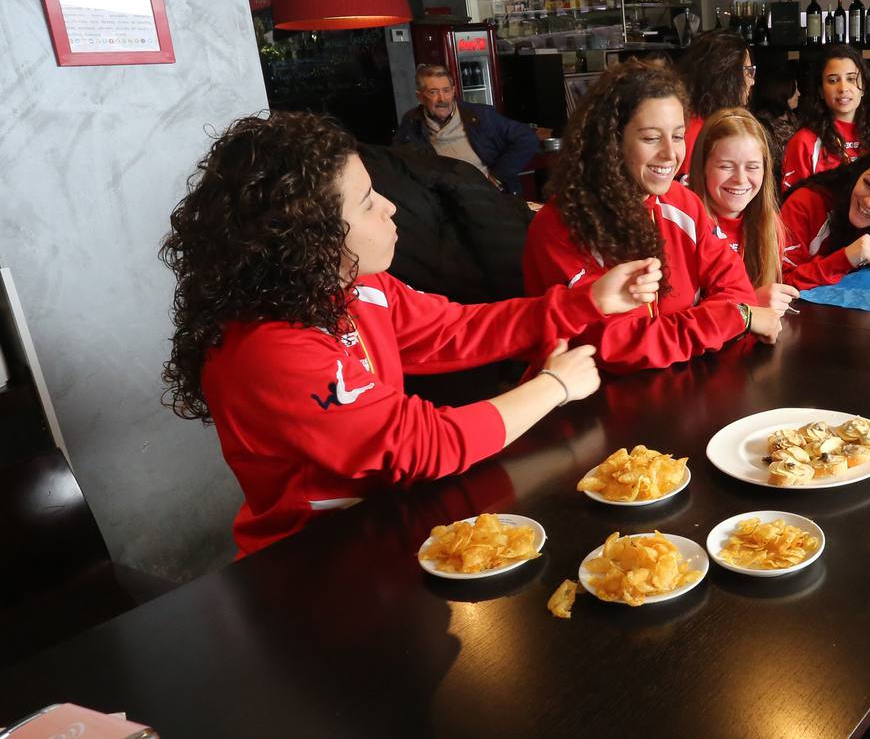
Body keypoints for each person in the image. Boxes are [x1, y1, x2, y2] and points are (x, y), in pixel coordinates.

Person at [160, 111, 662, 556]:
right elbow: (424, 444)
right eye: (365, 203)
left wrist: (586, 301)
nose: (390, 208)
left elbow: (452, 330)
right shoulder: (268, 349)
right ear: (308, 235)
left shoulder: (358, 285)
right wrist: (555, 387)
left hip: (391, 525)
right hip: (310, 563)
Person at [524, 59, 783, 373]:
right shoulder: (561, 226)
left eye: (677, 136)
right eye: (650, 138)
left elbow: (738, 289)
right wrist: (736, 317)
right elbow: (619, 347)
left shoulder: (684, 204)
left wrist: (730, 313)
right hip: (590, 405)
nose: (670, 154)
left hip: (683, 387)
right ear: (611, 142)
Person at [687, 108, 800, 314]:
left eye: (752, 167)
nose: (740, 179)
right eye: (726, 166)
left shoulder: (769, 223)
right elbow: (680, 319)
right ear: (702, 167)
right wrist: (748, 304)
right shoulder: (683, 227)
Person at [392, 64, 538, 194]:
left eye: (446, 90)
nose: (442, 99)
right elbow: (397, 162)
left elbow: (527, 138)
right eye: (433, 92)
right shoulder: (412, 121)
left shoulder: (480, 115)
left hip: (488, 196)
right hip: (445, 201)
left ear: (454, 91)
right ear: (420, 97)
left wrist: (497, 177)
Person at [779, 153, 870, 290]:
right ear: (859, 174)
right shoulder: (806, 203)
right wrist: (845, 258)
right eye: (868, 184)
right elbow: (780, 283)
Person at [782, 45, 870, 193]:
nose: (843, 88)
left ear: (863, 88)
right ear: (821, 91)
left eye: (851, 79)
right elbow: (792, 205)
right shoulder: (804, 143)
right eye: (832, 80)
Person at [675, 30, 756, 179]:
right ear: (726, 76)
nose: (752, 81)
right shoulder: (697, 132)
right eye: (747, 71)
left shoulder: (707, 123)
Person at [749, 70, 801, 162]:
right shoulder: (763, 126)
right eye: (794, 90)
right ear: (781, 93)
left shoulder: (791, 115)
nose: (798, 94)